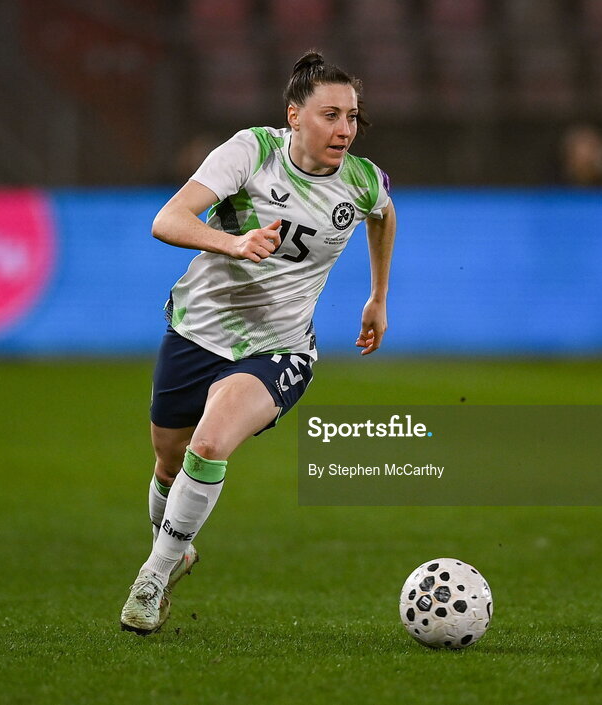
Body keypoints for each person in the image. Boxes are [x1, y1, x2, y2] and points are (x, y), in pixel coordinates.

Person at [120, 51, 396, 635]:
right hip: (198, 328)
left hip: (281, 346)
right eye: (329, 115)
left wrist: (378, 296)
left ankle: (154, 573)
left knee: (211, 441)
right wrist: (235, 243)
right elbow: (167, 221)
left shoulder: (362, 181)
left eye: (351, 116)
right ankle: (173, 549)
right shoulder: (252, 152)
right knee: (168, 460)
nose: (344, 129)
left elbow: (383, 214)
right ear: (294, 116)